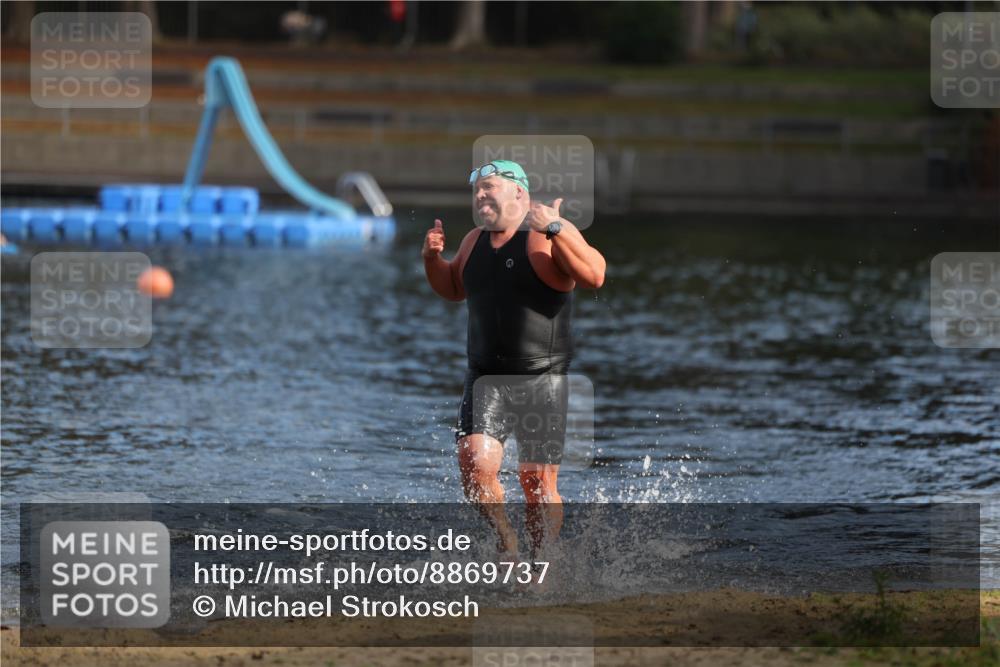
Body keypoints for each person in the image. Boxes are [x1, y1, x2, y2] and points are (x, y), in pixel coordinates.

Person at [422, 160, 606, 557]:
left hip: (542, 378)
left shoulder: (547, 232)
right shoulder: (473, 240)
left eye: (489, 187)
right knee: (474, 466)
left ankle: (539, 563)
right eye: (477, 191)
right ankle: (507, 540)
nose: (480, 196)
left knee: (537, 483)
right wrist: (433, 261)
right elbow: (454, 287)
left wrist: (556, 228)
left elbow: (594, 275)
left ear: (518, 193)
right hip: (485, 376)